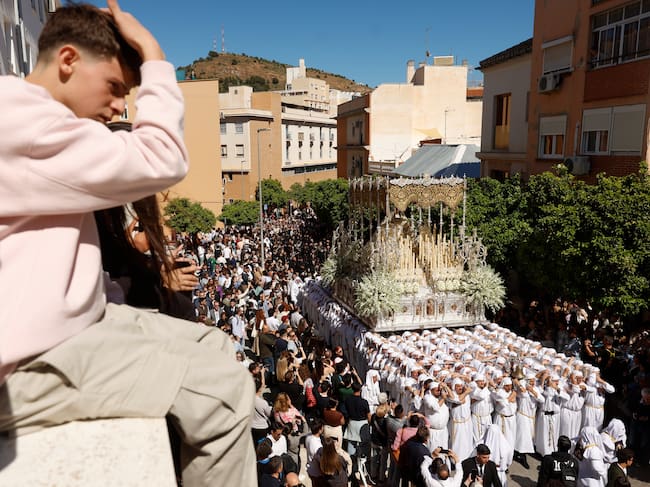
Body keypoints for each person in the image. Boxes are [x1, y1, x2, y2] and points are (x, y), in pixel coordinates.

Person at [0, 3, 255, 486]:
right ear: (69, 61)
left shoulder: (30, 117)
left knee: (215, 344)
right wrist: (156, 58)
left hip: (67, 332)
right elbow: (161, 157)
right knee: (226, 391)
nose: (121, 107)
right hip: (29, 364)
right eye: (117, 87)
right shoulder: (25, 123)